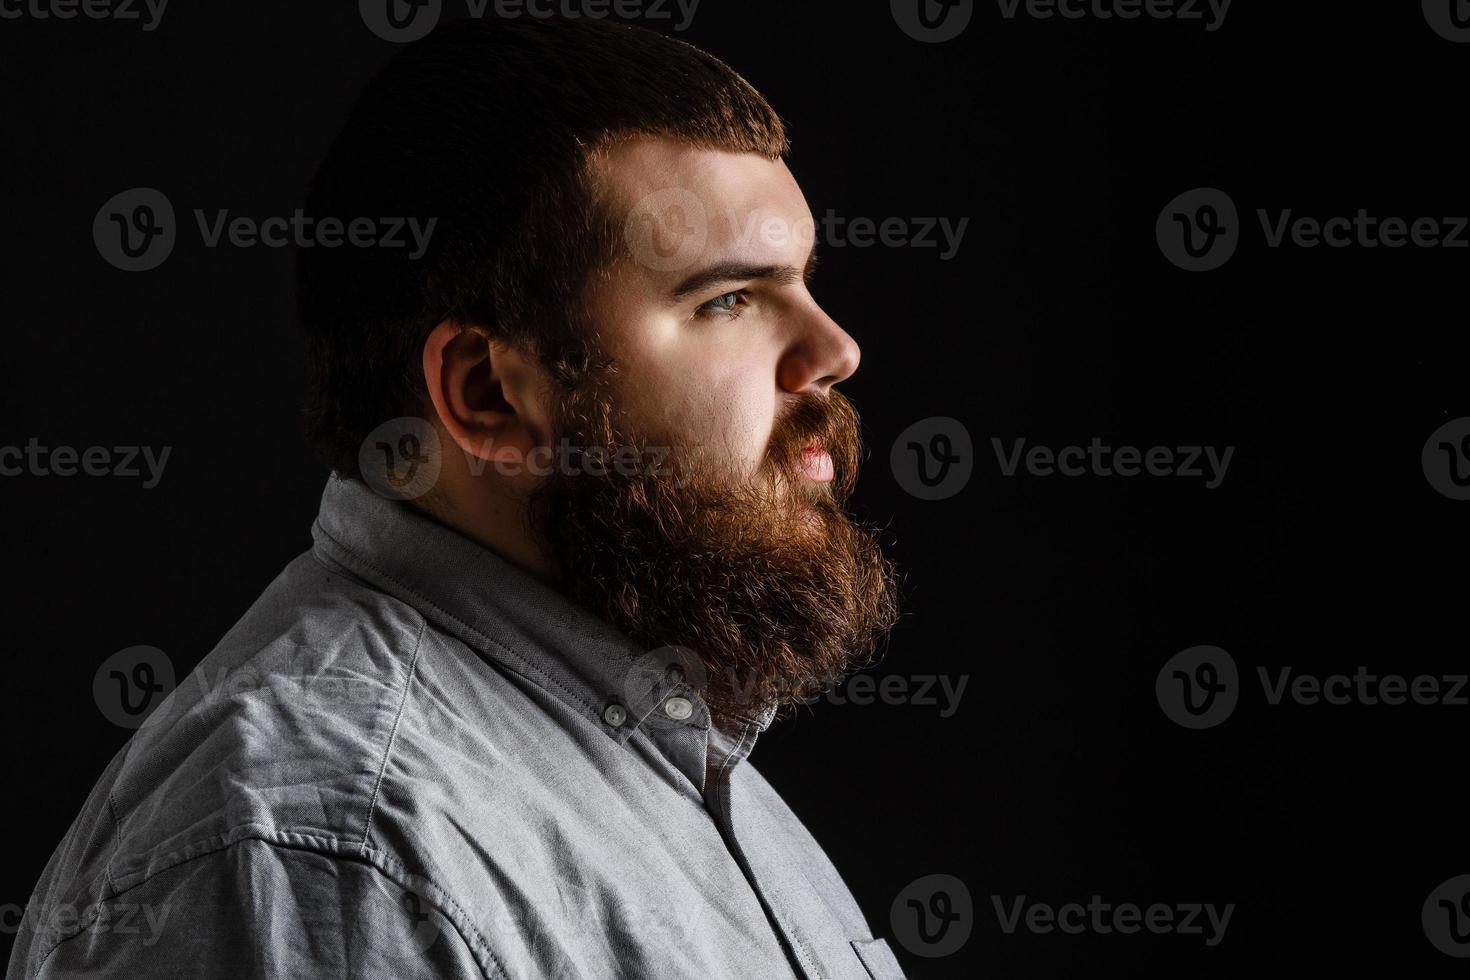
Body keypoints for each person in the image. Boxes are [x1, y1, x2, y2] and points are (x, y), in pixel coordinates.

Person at [7, 16, 904, 979]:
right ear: (485, 395)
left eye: (805, 281)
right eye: (726, 299)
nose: (837, 351)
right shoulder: (339, 850)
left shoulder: (671, 754)